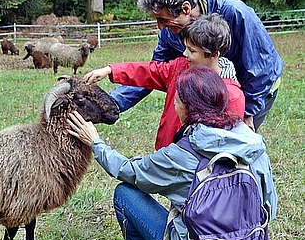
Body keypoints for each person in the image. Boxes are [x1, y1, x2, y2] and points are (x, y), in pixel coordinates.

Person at [67, 66, 277, 240]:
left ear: (186, 107)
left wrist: (96, 143)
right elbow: (269, 208)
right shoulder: (253, 145)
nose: (174, 103)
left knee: (125, 194)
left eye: (175, 98)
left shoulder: (182, 155)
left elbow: (129, 171)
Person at [110, 0, 283, 131]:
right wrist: (112, 102)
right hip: (212, 89)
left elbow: (262, 68)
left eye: (163, 19)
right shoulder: (170, 32)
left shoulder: (234, 13)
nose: (161, 27)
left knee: (231, 147)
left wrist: (248, 112)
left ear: (185, 9)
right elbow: (154, 71)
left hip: (254, 88)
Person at [83, 13, 245, 150]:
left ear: (213, 55)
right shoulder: (181, 67)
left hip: (196, 172)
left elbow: (229, 144)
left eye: (192, 51)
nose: (184, 53)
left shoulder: (230, 96)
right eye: (186, 47)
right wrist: (111, 70)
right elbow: (150, 71)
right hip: (166, 154)